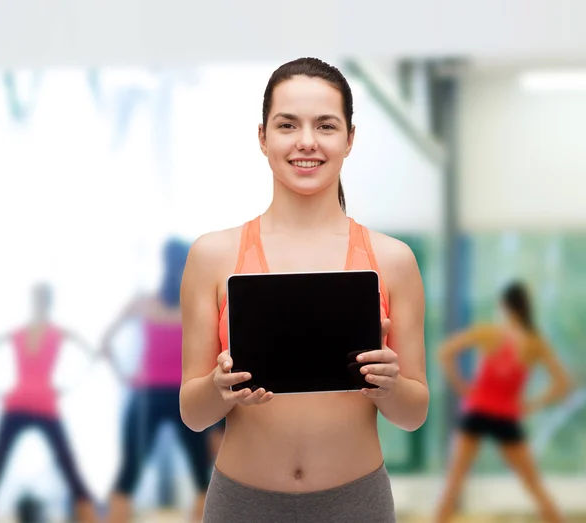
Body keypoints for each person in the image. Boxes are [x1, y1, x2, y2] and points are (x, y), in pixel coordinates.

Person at [178, 57, 429, 523]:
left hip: (356, 504)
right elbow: (193, 413)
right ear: (262, 137)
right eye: (288, 125)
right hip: (242, 505)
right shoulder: (212, 255)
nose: (306, 142)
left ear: (350, 139)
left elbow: (414, 413)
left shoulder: (393, 261)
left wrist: (388, 385)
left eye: (326, 125)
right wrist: (220, 388)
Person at [435, 281, 572, 523]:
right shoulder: (534, 342)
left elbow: (444, 351)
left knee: (453, 484)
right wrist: (532, 404)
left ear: (504, 305)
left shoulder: (489, 332)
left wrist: (462, 388)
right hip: (506, 416)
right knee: (534, 486)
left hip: (477, 411)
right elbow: (563, 383)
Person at [103, 238, 218, 523]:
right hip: (177, 395)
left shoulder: (147, 303)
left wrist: (124, 375)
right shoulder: (195, 305)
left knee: (131, 472)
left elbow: (106, 341)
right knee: (200, 475)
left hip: (158, 394)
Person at [0, 283, 99, 523]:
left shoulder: (57, 332)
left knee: (71, 472)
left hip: (44, 406)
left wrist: (68, 386)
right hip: (16, 405)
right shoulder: (19, 332)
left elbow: (92, 353)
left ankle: (90, 517)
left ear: (47, 302)